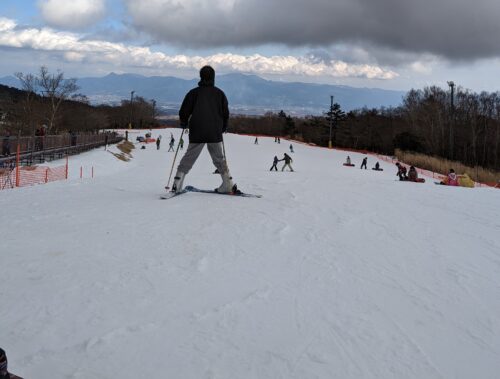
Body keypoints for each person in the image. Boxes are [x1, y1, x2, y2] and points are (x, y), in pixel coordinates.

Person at [171, 65, 234, 193]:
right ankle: (228, 183)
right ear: (213, 77)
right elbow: (225, 113)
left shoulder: (193, 93)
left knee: (189, 157)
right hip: (214, 131)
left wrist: (184, 122)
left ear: (201, 77)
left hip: (197, 131)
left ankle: (177, 184)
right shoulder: (220, 93)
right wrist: (223, 127)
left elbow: (184, 111)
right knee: (219, 158)